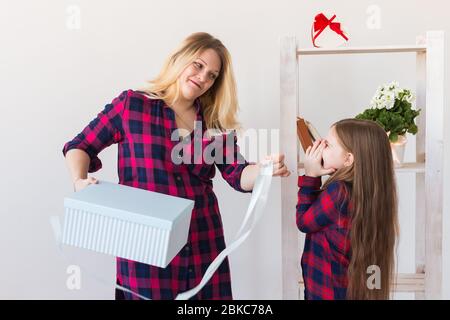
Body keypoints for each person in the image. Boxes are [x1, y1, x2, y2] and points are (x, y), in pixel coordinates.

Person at [63, 32, 290, 300]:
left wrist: (263, 170)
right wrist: (79, 181)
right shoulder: (131, 106)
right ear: (179, 59)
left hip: (204, 243)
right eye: (199, 65)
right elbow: (79, 146)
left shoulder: (212, 122)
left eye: (212, 75)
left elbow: (239, 175)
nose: (203, 77)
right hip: (146, 248)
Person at [296, 118, 399, 299]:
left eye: (326, 145)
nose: (319, 147)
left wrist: (311, 176)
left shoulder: (339, 192)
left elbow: (304, 222)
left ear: (348, 159)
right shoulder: (370, 194)